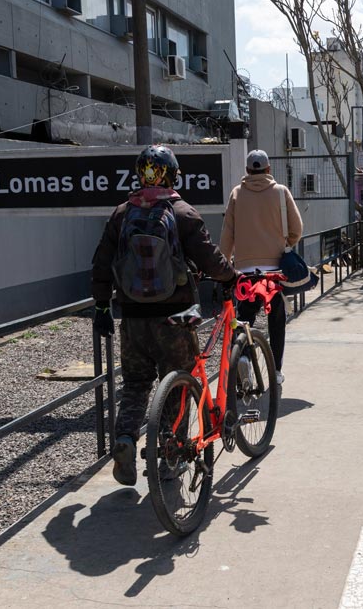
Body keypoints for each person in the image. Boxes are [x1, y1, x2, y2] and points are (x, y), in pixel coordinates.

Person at [90, 145, 236, 486]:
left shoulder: (122, 213)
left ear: (140, 174)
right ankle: (170, 458)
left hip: (133, 320)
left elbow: (101, 263)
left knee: (136, 385)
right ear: (173, 174)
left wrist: (100, 307)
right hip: (175, 317)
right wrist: (230, 277)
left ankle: (125, 439)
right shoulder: (183, 212)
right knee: (178, 387)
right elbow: (209, 259)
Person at [220, 149, 303, 387]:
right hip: (274, 272)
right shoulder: (280, 192)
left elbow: (228, 234)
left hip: (245, 272)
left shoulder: (237, 194)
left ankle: (244, 356)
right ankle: (275, 371)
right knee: (276, 321)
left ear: (247, 171)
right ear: (268, 169)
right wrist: (285, 244)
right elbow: (297, 228)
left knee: (244, 318)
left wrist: (223, 265)